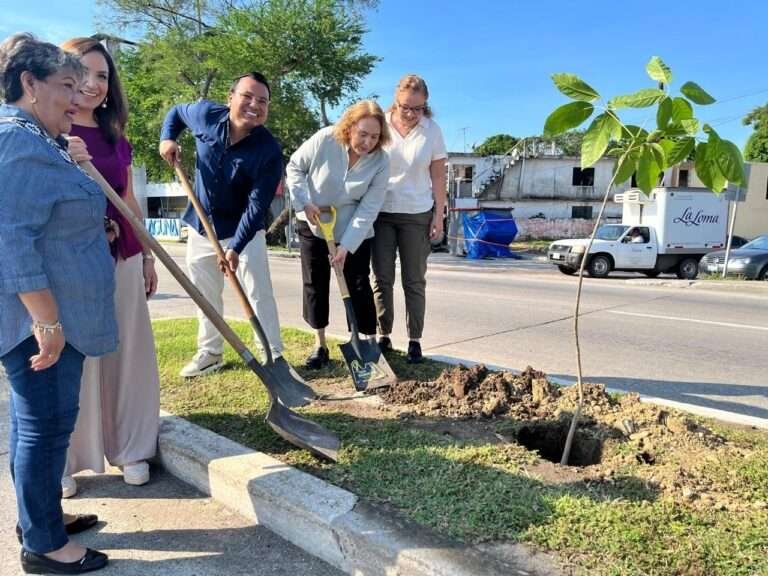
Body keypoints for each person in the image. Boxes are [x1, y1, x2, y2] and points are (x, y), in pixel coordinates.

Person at [0, 33, 117, 574]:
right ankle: (44, 546)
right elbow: (12, 237)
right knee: (45, 425)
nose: (80, 95)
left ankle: (39, 517)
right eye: (67, 85)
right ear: (29, 83)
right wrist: (46, 320)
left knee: (34, 424)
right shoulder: (20, 141)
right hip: (41, 320)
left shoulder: (41, 139)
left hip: (52, 315)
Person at [59, 36, 160, 495]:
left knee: (128, 355)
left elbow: (130, 200)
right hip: (72, 265)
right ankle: (66, 460)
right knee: (74, 363)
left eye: (103, 75)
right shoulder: (46, 133)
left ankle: (131, 449)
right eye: (83, 72)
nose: (94, 84)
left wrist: (148, 255)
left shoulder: (117, 136)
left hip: (123, 258)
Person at [159, 72, 284, 377]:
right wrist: (168, 138)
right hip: (202, 226)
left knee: (258, 294)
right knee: (204, 293)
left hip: (244, 231)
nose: (255, 105)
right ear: (230, 98)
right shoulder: (204, 115)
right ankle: (210, 353)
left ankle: (274, 357)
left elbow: (256, 206)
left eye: (263, 101)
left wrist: (235, 248)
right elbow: (176, 113)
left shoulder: (269, 151)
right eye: (248, 96)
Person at [286, 100, 390, 369]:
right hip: (313, 222)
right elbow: (295, 167)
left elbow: (370, 206)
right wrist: (303, 202)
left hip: (353, 229)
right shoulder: (325, 139)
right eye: (362, 134)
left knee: (358, 285)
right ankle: (319, 344)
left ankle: (367, 343)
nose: (367, 142)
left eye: (375, 136)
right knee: (315, 284)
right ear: (350, 126)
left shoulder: (381, 161)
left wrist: (347, 246)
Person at [371, 75, 447, 363]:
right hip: (381, 213)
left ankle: (415, 340)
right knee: (382, 277)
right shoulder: (381, 124)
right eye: (405, 107)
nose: (411, 114)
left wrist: (438, 215)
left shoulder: (433, 131)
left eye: (418, 108)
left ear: (425, 105)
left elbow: (438, 176)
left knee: (414, 279)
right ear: (396, 101)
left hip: (417, 213)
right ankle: (384, 334)